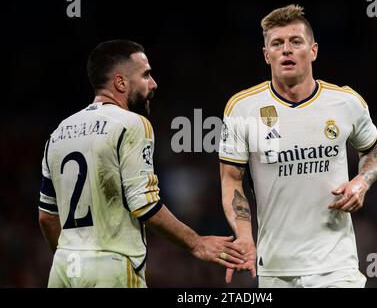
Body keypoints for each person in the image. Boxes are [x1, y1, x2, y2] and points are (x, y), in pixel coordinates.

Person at [38, 39, 246, 288]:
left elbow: (47, 218)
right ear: (121, 83)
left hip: (63, 268)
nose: (153, 83)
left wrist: (73, 262)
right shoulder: (132, 124)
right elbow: (143, 203)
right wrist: (196, 243)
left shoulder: (58, 133)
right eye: (146, 75)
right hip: (112, 267)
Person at [219, 5, 377, 288]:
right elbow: (231, 178)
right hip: (275, 268)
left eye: (296, 42)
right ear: (266, 55)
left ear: (313, 51)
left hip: (336, 267)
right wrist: (245, 235)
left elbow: (374, 150)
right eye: (277, 43)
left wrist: (362, 181)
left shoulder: (346, 102)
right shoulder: (242, 108)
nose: (286, 50)